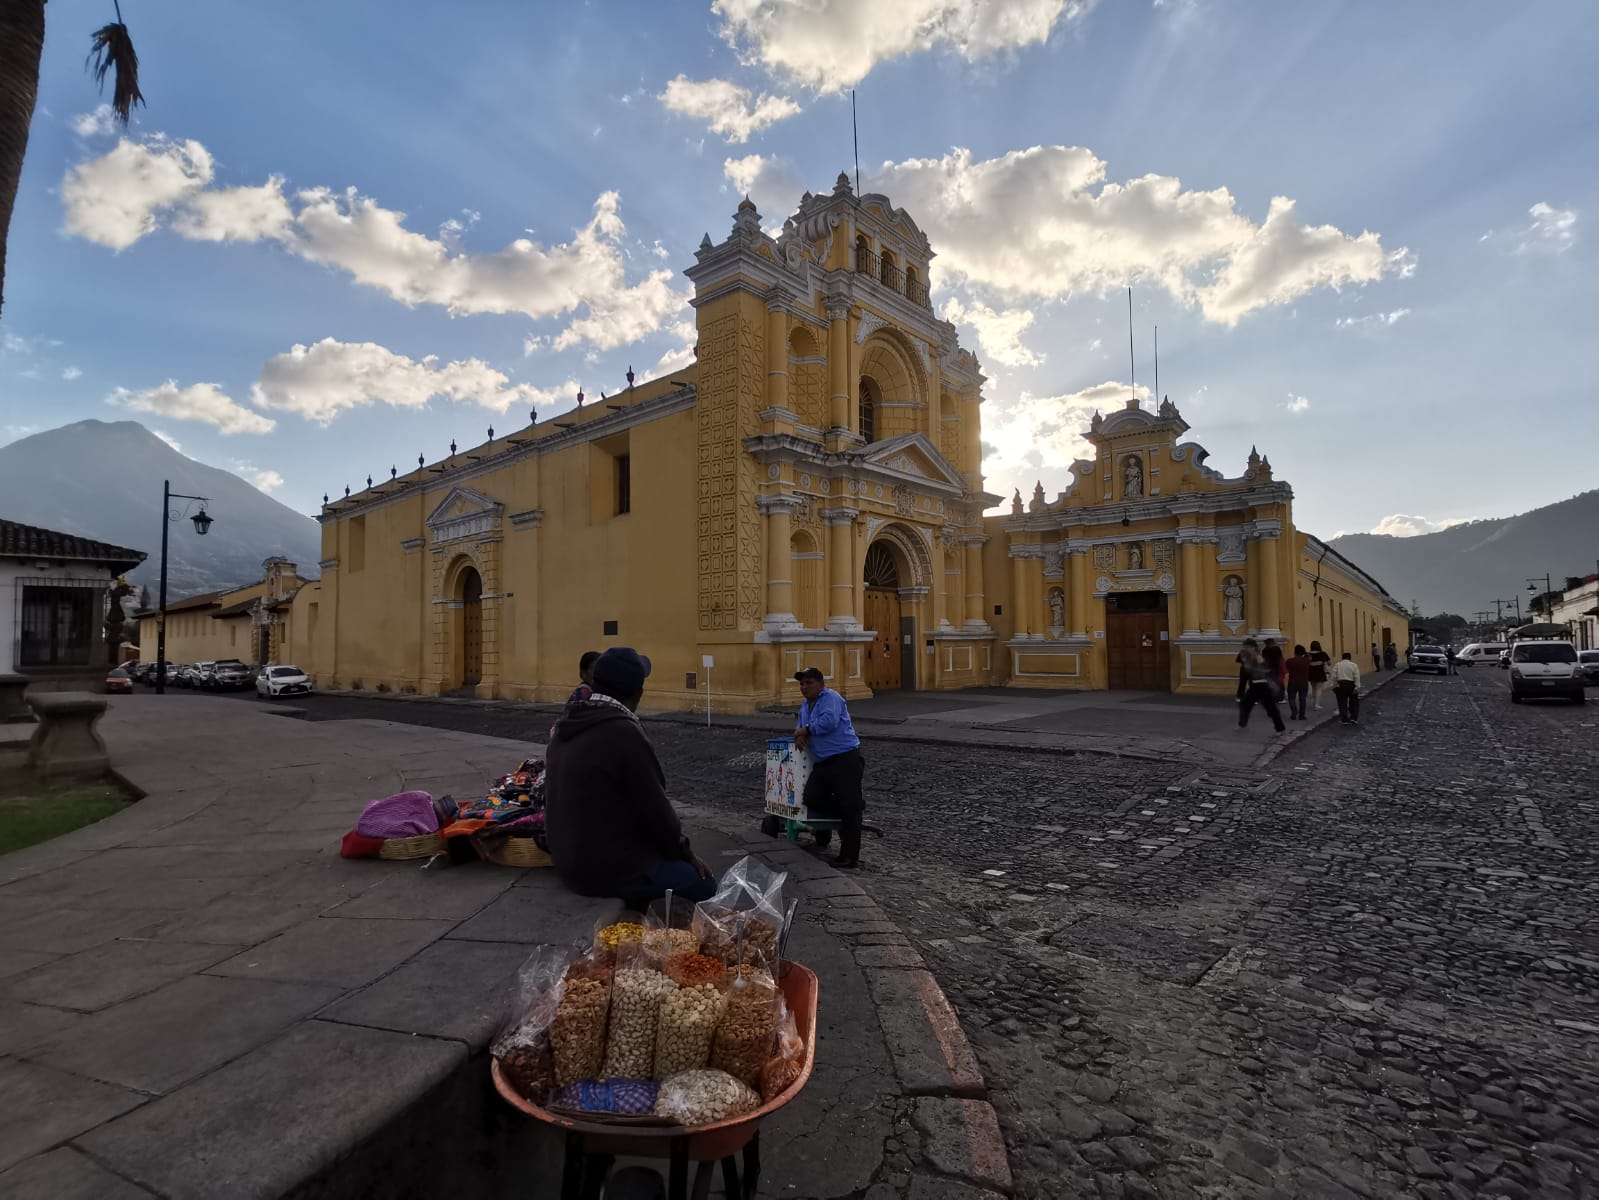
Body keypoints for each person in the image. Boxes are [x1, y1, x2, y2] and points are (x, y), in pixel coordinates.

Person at [544, 647, 716, 908]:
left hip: (568, 861)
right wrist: (686, 853)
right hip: (604, 870)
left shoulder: (569, 720)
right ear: (638, 693)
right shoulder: (624, 731)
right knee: (703, 883)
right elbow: (657, 813)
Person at [793, 666, 866, 869]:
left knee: (850, 809)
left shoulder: (830, 698)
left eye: (809, 683)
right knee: (812, 797)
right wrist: (800, 733)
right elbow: (799, 727)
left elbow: (829, 722)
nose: (804, 687)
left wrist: (805, 729)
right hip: (823, 762)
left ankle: (849, 856)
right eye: (802, 683)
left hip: (845, 759)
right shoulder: (804, 706)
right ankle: (851, 806)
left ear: (821, 684)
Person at [1238, 646, 1286, 734]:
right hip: (1254, 688)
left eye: (1244, 656)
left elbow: (1268, 672)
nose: (1243, 659)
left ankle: (1280, 728)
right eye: (1242, 657)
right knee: (1245, 705)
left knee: (1271, 709)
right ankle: (1242, 725)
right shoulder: (1247, 665)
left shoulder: (1259, 661)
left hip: (1263, 687)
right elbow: (1244, 680)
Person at [1332, 652, 1362, 725]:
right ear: (1350, 658)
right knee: (1354, 702)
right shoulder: (1354, 665)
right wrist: (1357, 687)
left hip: (1341, 684)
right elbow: (1357, 677)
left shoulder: (1337, 665)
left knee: (1342, 702)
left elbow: (1334, 677)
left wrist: (1334, 686)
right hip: (1351, 684)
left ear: (1342, 658)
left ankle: (1345, 719)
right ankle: (1353, 718)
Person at [1285, 644, 1311, 721]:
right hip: (1303, 682)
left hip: (1292, 681)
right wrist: (1306, 653)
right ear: (1303, 652)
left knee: (1291, 698)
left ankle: (1294, 712)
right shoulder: (1306, 661)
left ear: (1295, 652)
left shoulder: (1289, 661)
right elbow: (1309, 658)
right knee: (1302, 699)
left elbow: (1287, 670)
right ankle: (1302, 715)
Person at [1308, 640, 1332, 710]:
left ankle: (1314, 703)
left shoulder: (1308, 654)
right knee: (1319, 689)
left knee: (1313, 688)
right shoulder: (1323, 654)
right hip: (1320, 673)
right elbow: (1329, 663)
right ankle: (1316, 705)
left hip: (1311, 673)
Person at [1234, 638, 1259, 702]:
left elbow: (1238, 660)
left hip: (1245, 669)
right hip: (1252, 669)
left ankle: (1240, 696)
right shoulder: (1256, 651)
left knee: (1243, 684)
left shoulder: (1243, 651)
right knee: (1251, 684)